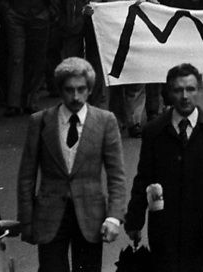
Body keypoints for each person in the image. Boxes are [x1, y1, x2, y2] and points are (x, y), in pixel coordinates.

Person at [16, 57, 125, 272]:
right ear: (59, 89)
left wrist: (114, 217)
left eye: (81, 89)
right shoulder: (41, 121)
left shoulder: (105, 121)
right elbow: (26, 175)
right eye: (69, 90)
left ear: (90, 90)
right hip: (49, 215)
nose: (75, 96)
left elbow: (117, 175)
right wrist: (26, 221)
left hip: (90, 216)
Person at [125, 63, 203, 272]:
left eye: (190, 89)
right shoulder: (154, 131)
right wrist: (134, 220)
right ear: (168, 92)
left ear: (199, 90)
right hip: (165, 232)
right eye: (178, 90)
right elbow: (144, 177)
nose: (185, 96)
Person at [89, 0, 158, 137]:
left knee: (137, 84)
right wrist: (89, 13)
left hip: (137, 44)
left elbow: (158, 9)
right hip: (112, 47)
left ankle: (135, 122)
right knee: (114, 86)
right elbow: (92, 12)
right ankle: (115, 122)